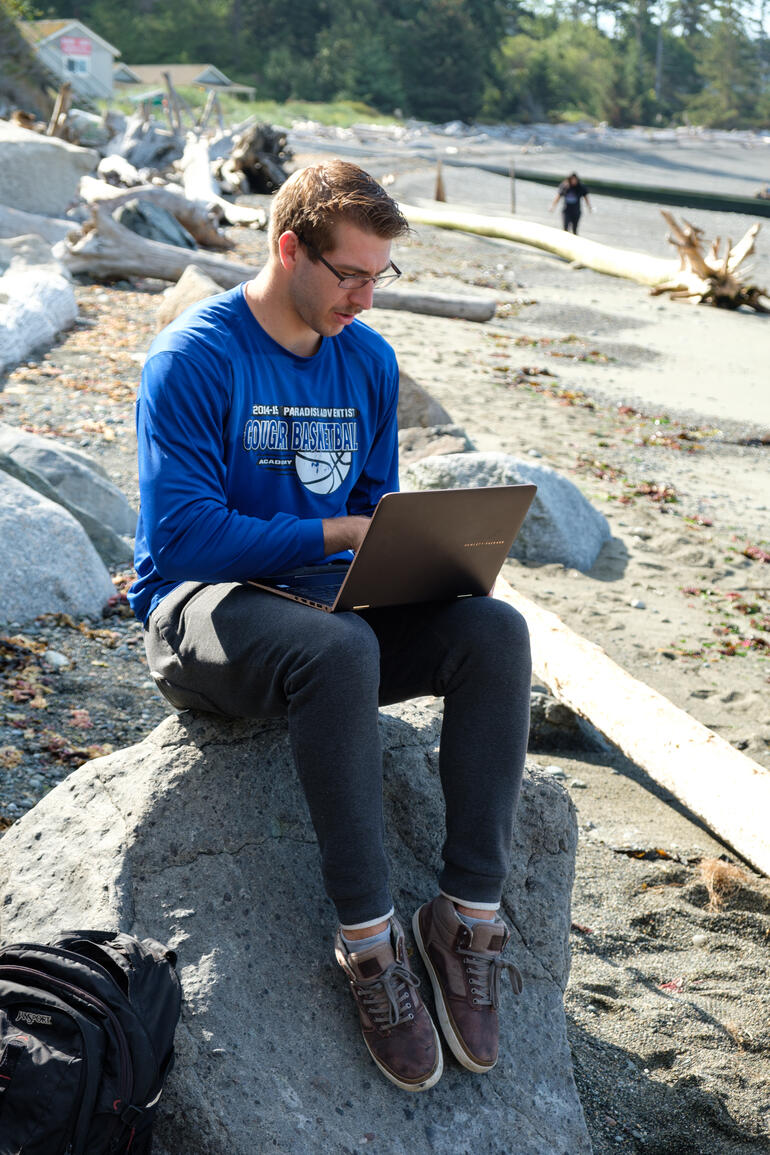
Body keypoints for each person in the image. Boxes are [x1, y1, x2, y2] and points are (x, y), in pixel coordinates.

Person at [129, 159, 532, 1093]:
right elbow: (181, 535)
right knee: (340, 647)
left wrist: (404, 556)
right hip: (199, 613)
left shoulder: (368, 360)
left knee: (494, 632)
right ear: (287, 248)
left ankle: (464, 918)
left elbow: (371, 508)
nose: (365, 298)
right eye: (349, 274)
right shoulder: (195, 358)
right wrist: (337, 534)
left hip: (322, 600)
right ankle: (370, 947)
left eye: (379, 276)